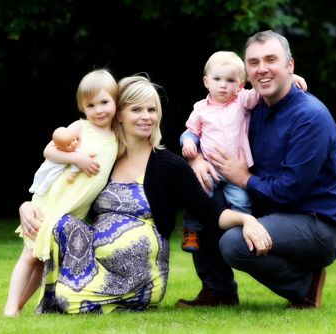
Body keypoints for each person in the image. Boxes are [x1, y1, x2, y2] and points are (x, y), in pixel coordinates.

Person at [16, 74, 272, 314]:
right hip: (96, 265)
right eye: (137, 110)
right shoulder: (102, 158)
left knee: (63, 299)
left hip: (141, 276)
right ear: (119, 115)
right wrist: (27, 206)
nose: (146, 117)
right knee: (61, 231)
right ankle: (60, 293)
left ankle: (88, 294)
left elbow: (210, 212)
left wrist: (246, 219)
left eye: (152, 110)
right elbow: (59, 187)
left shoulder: (168, 166)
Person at [175, 30, 336, 309]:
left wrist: (242, 178)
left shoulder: (310, 117)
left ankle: (306, 286)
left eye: (271, 60)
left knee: (235, 242)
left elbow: (289, 191)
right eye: (254, 62)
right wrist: (196, 159)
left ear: (290, 65)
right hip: (271, 209)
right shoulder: (249, 108)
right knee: (205, 196)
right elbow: (208, 125)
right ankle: (218, 291)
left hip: (317, 223)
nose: (262, 68)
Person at [3, 69, 119, 317]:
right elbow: (49, 151)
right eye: (91, 105)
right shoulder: (81, 128)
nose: (98, 110)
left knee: (44, 260)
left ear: (115, 101)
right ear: (82, 107)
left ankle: (21, 305)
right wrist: (76, 157)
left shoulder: (116, 136)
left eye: (104, 102)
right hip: (54, 201)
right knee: (30, 256)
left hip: (75, 209)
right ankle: (10, 307)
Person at [180, 51, 308, 253]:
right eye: (217, 79)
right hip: (210, 169)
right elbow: (191, 132)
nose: (223, 85)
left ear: (240, 84)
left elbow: (264, 90)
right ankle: (191, 230)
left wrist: (290, 79)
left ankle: (239, 236)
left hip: (236, 169)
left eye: (230, 80)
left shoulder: (242, 100)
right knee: (198, 195)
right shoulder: (200, 109)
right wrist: (189, 144)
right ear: (206, 82)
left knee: (242, 202)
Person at [29, 127, 81, 197]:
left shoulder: (77, 152)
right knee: (39, 173)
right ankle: (35, 185)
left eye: (73, 140)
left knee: (50, 178)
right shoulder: (58, 149)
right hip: (50, 162)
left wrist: (73, 175)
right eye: (68, 145)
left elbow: (77, 164)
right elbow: (49, 153)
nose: (73, 144)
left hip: (59, 167)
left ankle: (41, 191)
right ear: (59, 148)